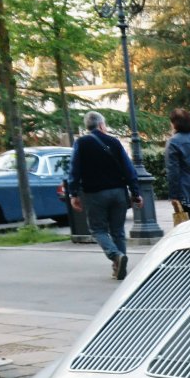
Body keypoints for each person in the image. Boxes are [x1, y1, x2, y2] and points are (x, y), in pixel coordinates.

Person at [68, 111, 143, 279]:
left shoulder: (81, 143)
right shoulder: (114, 142)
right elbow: (129, 169)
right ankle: (119, 266)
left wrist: (73, 193)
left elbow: (74, 169)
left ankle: (115, 256)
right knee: (118, 230)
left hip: (95, 195)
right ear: (101, 125)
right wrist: (136, 192)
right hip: (118, 193)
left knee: (97, 229)